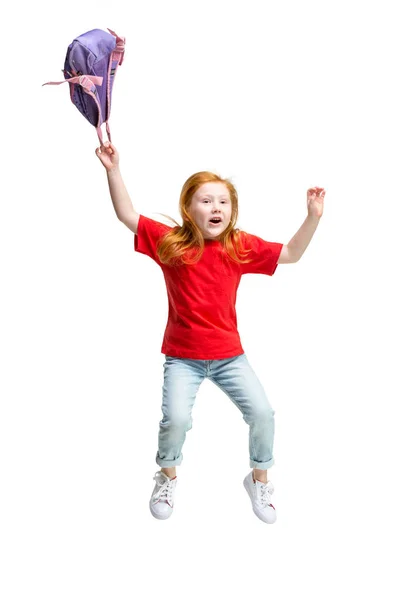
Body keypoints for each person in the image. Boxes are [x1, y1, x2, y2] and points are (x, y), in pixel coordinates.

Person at [95, 140, 325, 523]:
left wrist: (313, 217)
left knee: (263, 413)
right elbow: (127, 215)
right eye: (206, 201)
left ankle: (259, 479)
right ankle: (166, 476)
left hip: (229, 357)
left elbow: (291, 254)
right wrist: (113, 170)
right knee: (177, 420)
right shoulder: (171, 243)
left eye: (223, 201)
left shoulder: (239, 246)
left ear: (232, 211)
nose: (215, 207)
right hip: (182, 357)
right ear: (189, 209)